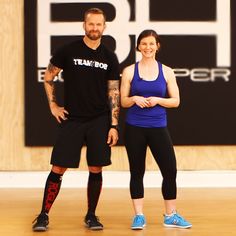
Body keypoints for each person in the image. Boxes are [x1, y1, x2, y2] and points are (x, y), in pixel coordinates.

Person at [32, 8, 120, 232]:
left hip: (99, 120)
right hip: (72, 119)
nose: (94, 28)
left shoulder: (109, 56)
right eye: (91, 24)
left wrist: (113, 125)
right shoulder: (68, 50)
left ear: (104, 27)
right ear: (84, 25)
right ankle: (43, 215)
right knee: (58, 167)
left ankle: (91, 215)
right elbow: (49, 77)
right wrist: (53, 105)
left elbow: (114, 93)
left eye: (98, 25)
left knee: (96, 168)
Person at [120, 29, 192, 230]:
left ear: (157, 46)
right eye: (144, 44)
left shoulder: (167, 71)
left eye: (151, 44)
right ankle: (139, 216)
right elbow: (123, 102)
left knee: (170, 170)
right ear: (138, 47)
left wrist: (159, 100)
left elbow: (176, 101)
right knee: (137, 172)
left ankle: (170, 215)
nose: (148, 47)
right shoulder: (129, 71)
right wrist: (134, 98)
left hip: (158, 127)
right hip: (134, 128)